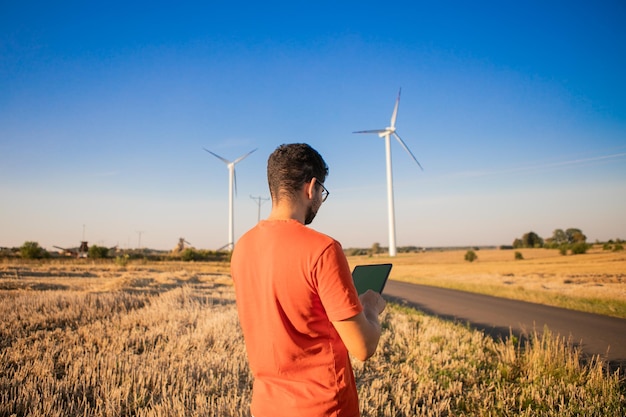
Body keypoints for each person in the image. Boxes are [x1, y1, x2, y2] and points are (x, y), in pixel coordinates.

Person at [231, 143, 386, 417]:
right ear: (311, 187)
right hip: (322, 408)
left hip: (266, 407)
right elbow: (363, 347)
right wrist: (371, 307)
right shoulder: (323, 249)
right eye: (322, 192)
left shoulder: (242, 247)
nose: (319, 200)